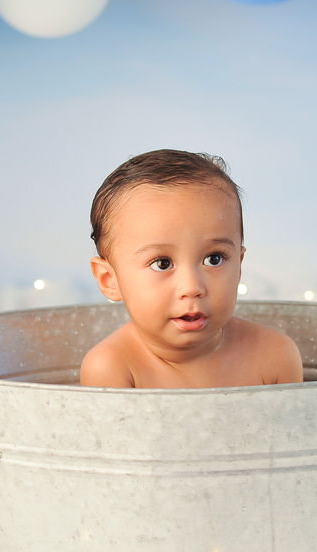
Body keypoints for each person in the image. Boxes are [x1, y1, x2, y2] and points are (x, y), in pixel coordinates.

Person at [80, 149, 304, 389]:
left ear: (239, 266)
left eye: (214, 259)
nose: (192, 287)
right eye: (162, 263)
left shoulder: (275, 356)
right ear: (109, 280)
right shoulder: (112, 368)